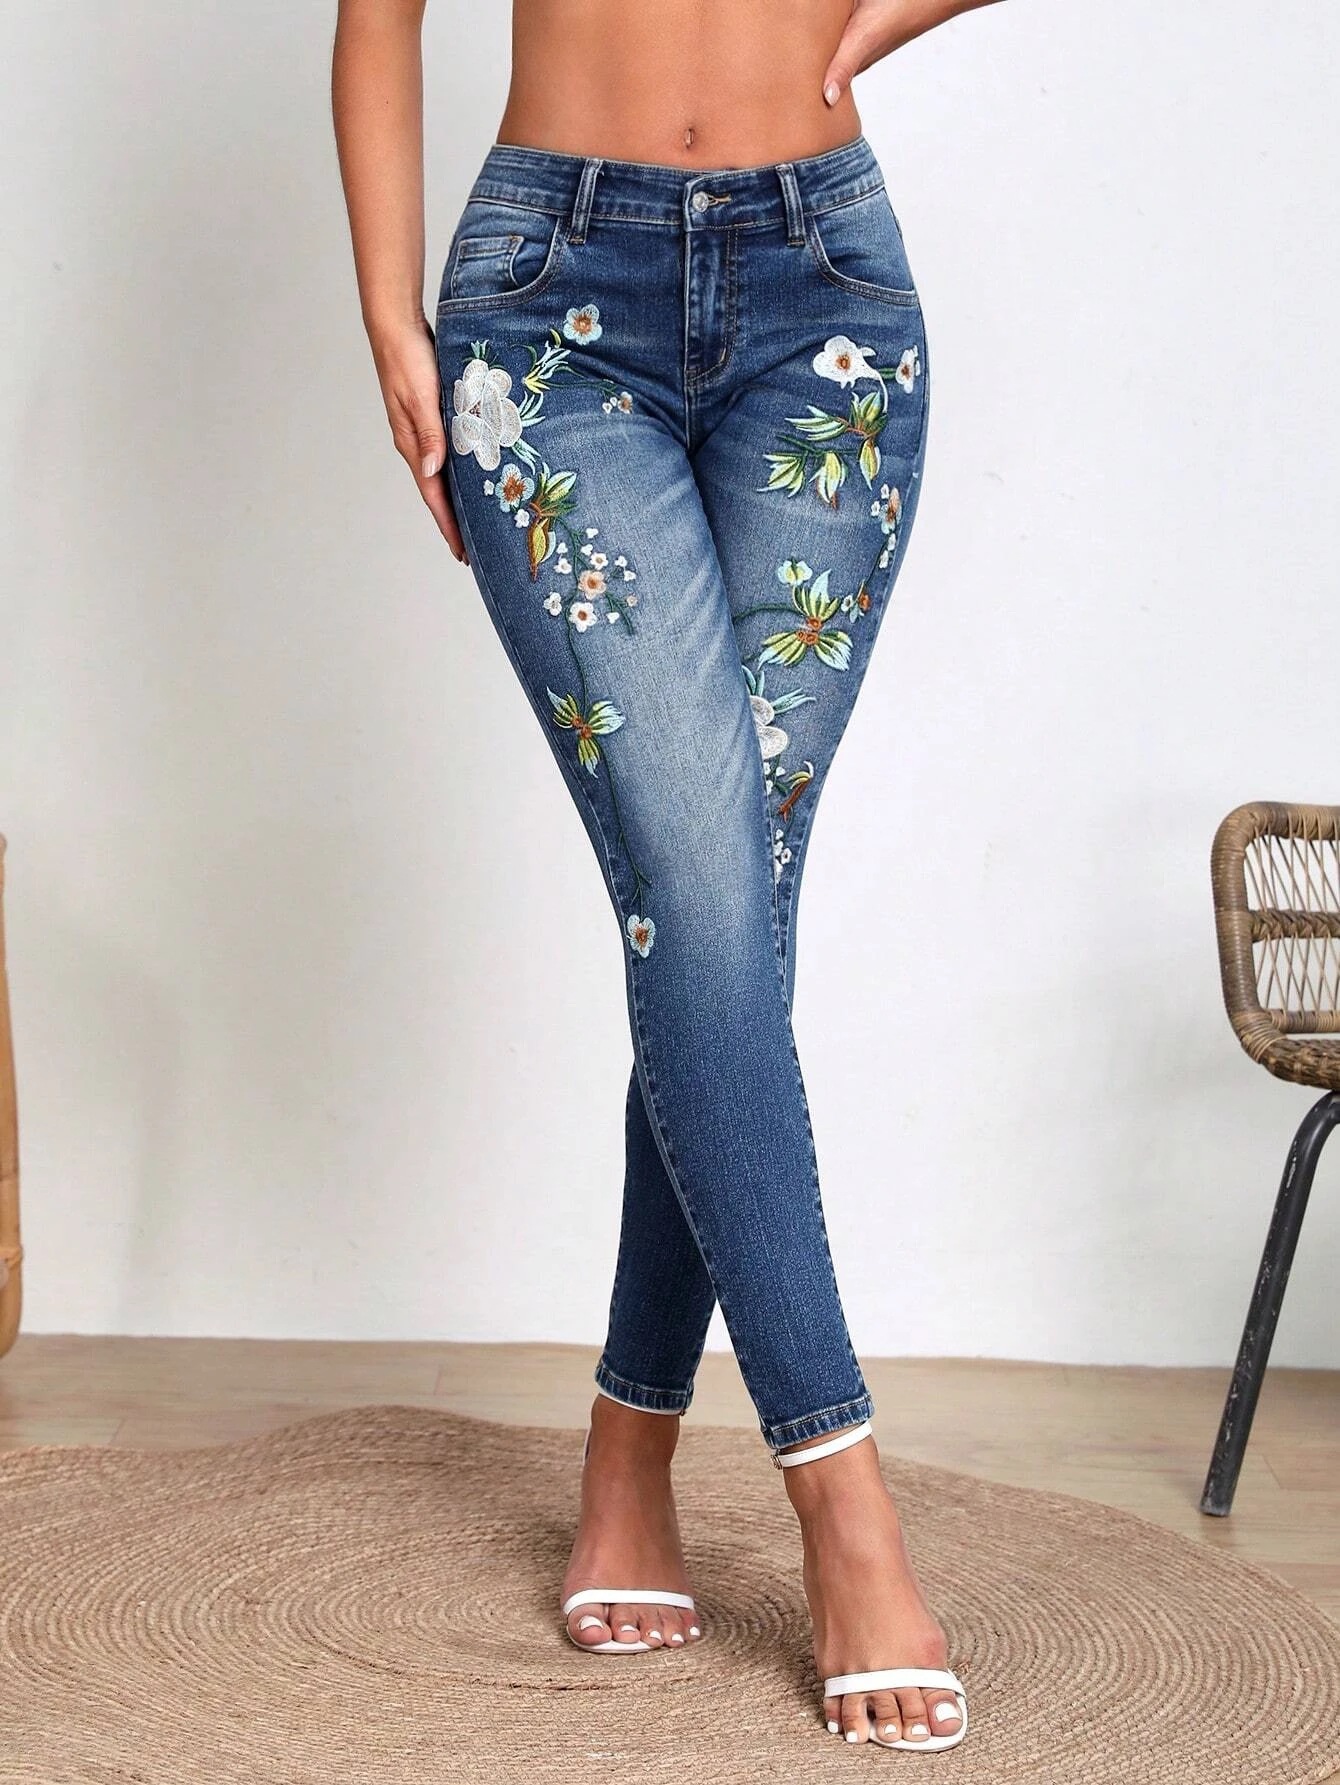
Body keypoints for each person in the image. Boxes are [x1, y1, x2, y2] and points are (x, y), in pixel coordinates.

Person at [332, 0, 1001, 1752]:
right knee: (705, 899)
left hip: (827, 294)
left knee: (718, 924)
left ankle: (631, 1446)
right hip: (548, 306)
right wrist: (385, 303)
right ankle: (843, 1497)